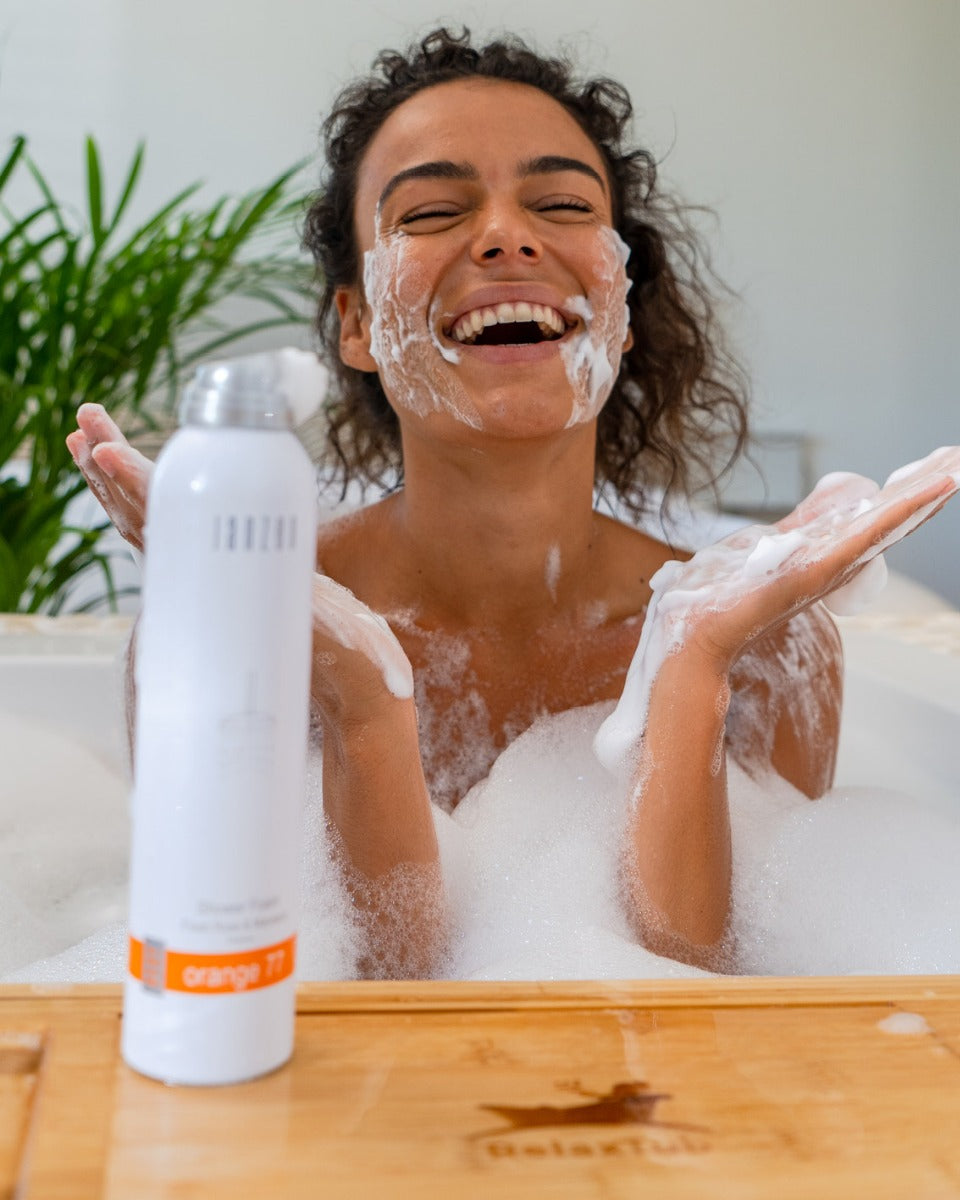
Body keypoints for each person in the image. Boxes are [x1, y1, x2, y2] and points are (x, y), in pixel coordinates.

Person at [67, 28, 960, 976]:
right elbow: (324, 997)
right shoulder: (232, 629)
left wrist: (691, 667)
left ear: (620, 305)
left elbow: (704, 998)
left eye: (563, 204)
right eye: (432, 211)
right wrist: (358, 696)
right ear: (356, 324)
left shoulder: (768, 647)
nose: (506, 234)